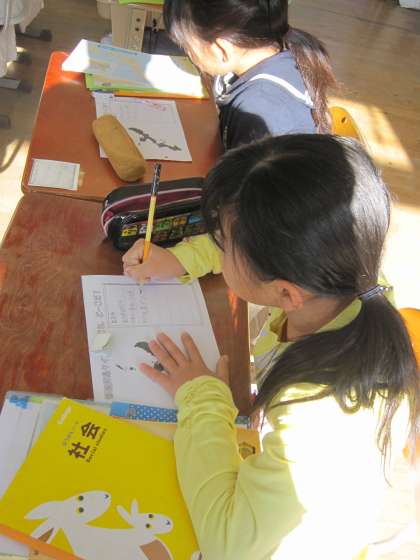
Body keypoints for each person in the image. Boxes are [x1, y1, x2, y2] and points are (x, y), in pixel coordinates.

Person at [128, 135, 418, 559]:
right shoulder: (344, 272)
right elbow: (259, 242)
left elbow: (229, 544)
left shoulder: (317, 417)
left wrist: (203, 397)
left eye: (224, 245)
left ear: (285, 292)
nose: (218, 248)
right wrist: (181, 259)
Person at [163, 0, 337, 149]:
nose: (188, 55)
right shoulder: (280, 50)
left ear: (221, 50)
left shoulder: (258, 110)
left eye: (188, 47)